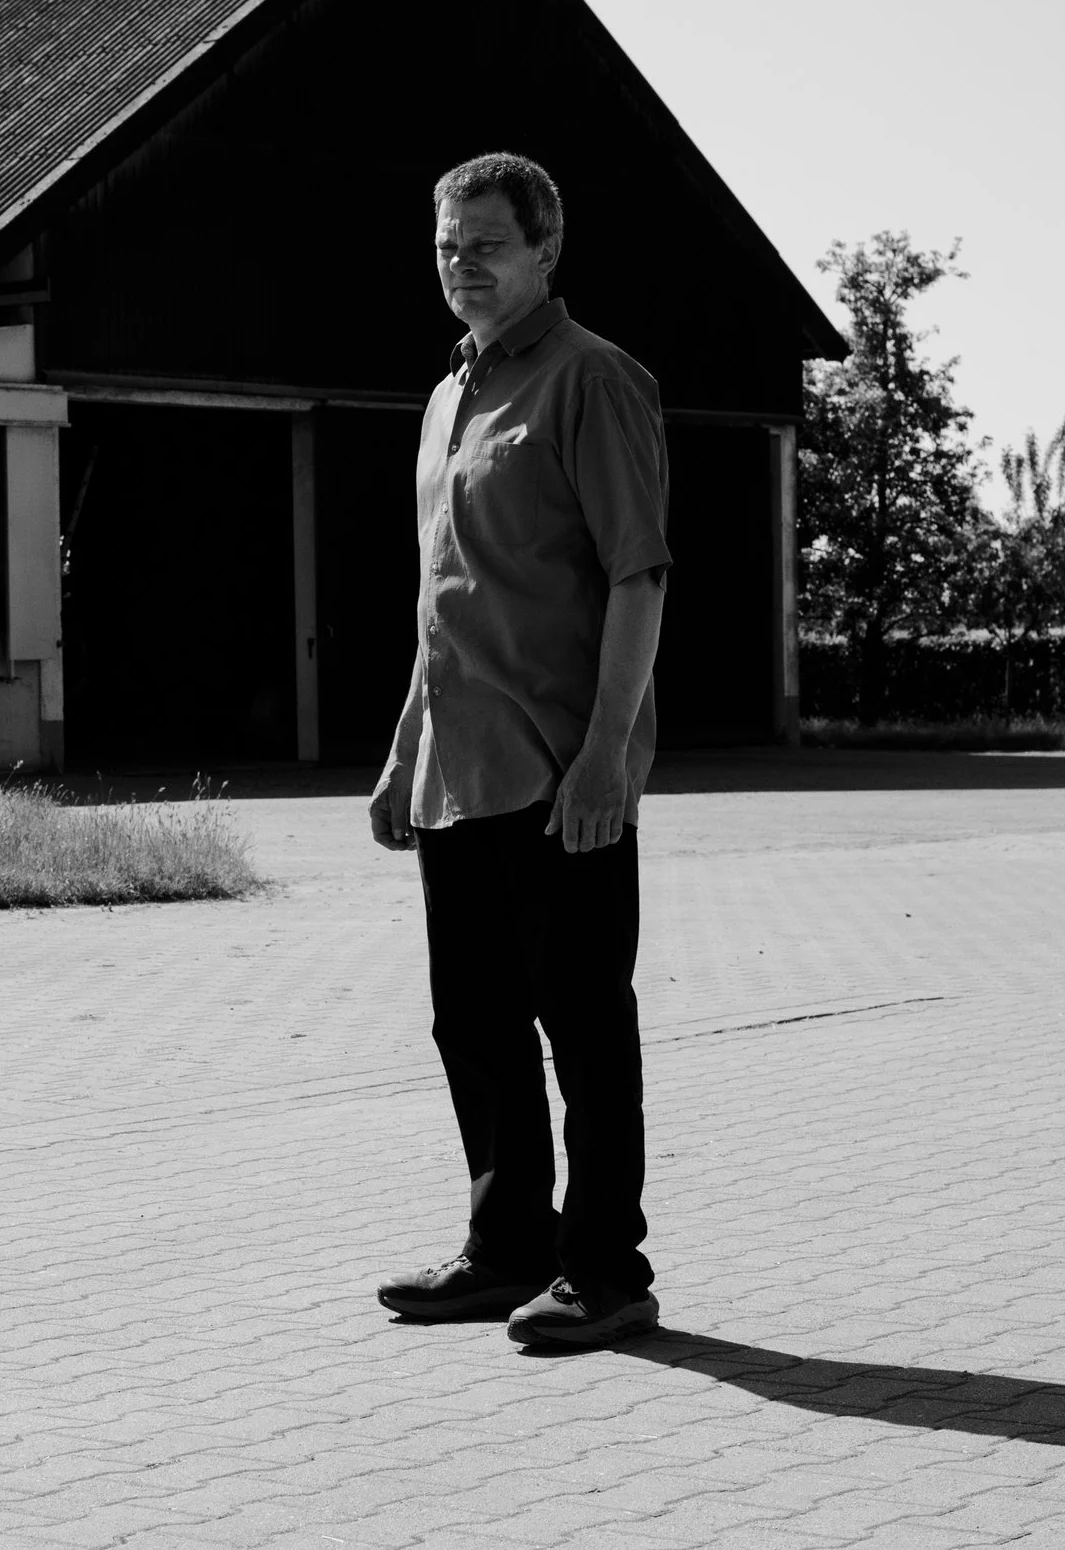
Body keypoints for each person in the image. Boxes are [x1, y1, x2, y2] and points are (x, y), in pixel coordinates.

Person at [371, 151, 671, 1350]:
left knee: (583, 1028)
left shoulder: (594, 381)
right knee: (473, 1024)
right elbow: (440, 599)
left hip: (558, 771)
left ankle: (606, 1270)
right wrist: (403, 754)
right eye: (447, 246)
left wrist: (608, 755)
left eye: (487, 245)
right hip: (458, 768)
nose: (463, 266)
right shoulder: (445, 399)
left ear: (546, 250)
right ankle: (506, 1251)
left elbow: (636, 576)